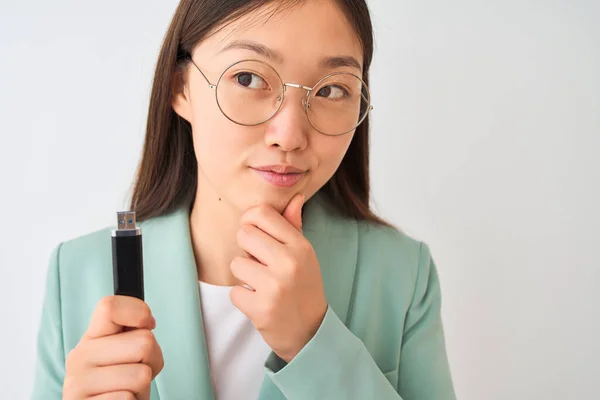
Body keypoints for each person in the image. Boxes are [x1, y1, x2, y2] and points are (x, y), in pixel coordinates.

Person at [32, 0, 456, 399]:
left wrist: (315, 342)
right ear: (180, 87)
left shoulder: (401, 276)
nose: (289, 135)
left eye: (331, 90)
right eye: (248, 78)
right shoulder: (77, 276)